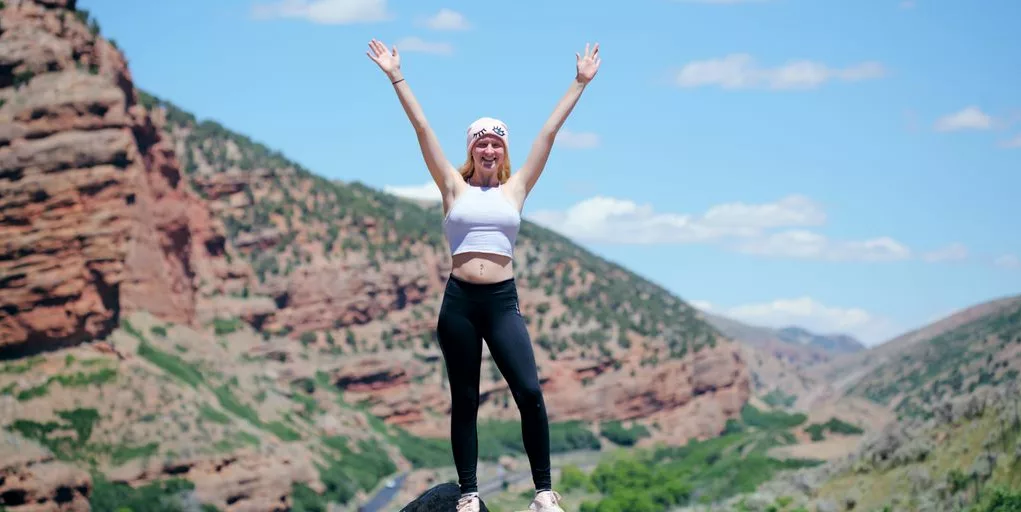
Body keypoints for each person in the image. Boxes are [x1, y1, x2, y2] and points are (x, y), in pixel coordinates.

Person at [367, 38, 601, 512]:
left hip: (500, 303)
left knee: (530, 391)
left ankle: (542, 492)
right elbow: (423, 128)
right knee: (466, 400)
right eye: (481, 141)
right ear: (471, 149)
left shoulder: (516, 190)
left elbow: (549, 134)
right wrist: (396, 75)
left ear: (503, 150)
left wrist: (579, 83)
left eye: (496, 141)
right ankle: (469, 494)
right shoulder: (453, 187)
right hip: (459, 305)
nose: (489, 147)